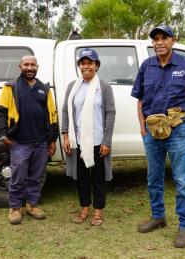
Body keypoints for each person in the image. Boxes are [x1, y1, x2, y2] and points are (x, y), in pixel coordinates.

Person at [131, 24, 185, 248]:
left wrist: (177, 118)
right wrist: (143, 127)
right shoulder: (146, 66)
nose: (159, 42)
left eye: (164, 38)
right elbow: (140, 100)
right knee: (153, 178)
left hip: (178, 131)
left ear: (173, 40)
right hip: (152, 132)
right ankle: (158, 216)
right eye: (155, 39)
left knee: (182, 179)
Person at [0, 55, 59, 225]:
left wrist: (52, 140)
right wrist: (4, 134)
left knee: (36, 176)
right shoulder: (11, 87)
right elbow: (0, 112)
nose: (29, 68)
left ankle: (32, 205)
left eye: (32, 65)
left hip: (40, 142)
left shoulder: (44, 89)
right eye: (26, 65)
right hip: (20, 142)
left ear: (37, 66)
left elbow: (52, 115)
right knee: (18, 176)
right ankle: (15, 208)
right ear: (20, 66)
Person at [61, 48, 116, 226]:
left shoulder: (104, 87)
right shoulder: (73, 86)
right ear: (79, 66)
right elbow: (65, 111)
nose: (86, 66)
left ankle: (98, 211)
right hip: (78, 141)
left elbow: (110, 113)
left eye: (89, 63)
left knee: (98, 178)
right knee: (82, 178)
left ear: (96, 66)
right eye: (82, 63)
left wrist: (107, 141)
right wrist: (65, 136)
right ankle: (85, 207)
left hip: (98, 141)